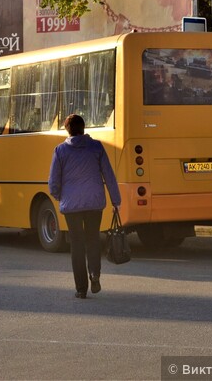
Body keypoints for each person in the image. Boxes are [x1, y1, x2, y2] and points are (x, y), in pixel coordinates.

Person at [48, 114, 122, 299]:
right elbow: (109, 175)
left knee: (77, 245)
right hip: (94, 203)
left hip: (71, 205)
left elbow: (53, 181)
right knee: (93, 240)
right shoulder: (96, 147)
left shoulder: (60, 151)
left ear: (67, 129)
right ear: (84, 128)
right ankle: (94, 274)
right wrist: (116, 200)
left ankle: (81, 289)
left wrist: (59, 196)